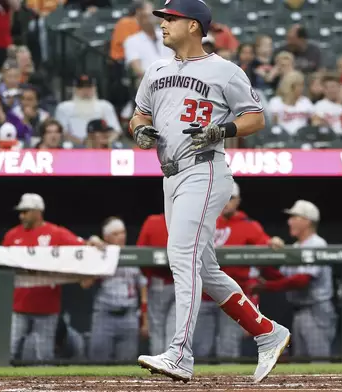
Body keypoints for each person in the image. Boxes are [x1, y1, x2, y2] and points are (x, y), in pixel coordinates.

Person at [129, 0, 290, 383]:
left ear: (195, 26)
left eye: (171, 19)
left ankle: (180, 354)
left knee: (181, 257)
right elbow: (140, 113)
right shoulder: (156, 68)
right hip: (170, 174)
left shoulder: (224, 70)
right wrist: (138, 130)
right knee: (204, 267)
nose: (164, 25)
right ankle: (267, 332)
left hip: (205, 170)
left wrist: (223, 130)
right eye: (164, 19)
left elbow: (255, 117)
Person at [2, 193, 104, 361]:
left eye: (25, 211)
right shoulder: (12, 235)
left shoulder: (55, 232)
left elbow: (83, 245)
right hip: (18, 305)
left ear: (37, 212)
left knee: (44, 356)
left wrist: (93, 240)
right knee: (9, 351)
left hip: (47, 307)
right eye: (20, 212)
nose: (21, 216)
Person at [193, 182, 285, 359]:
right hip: (204, 295)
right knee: (199, 348)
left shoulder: (248, 225)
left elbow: (267, 243)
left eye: (231, 199)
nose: (226, 202)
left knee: (228, 348)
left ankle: (227, 386)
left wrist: (273, 242)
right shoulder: (206, 221)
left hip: (231, 297)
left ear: (238, 201)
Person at [252, 200, 336, 358]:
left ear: (307, 221)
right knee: (301, 362)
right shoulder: (297, 247)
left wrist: (268, 287)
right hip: (299, 311)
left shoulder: (317, 244)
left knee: (318, 361)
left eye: (294, 217)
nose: (289, 221)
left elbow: (301, 281)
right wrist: (263, 263)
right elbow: (283, 277)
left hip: (316, 310)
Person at [84, 217, 148, 362]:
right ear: (106, 237)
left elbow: (143, 287)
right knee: (98, 362)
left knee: (127, 364)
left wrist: (145, 321)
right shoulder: (99, 254)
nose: (122, 236)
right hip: (104, 316)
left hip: (129, 317)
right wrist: (98, 254)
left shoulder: (133, 256)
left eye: (123, 232)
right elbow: (85, 283)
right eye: (116, 234)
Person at [136, 213, 176, 356]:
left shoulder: (153, 221)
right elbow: (140, 254)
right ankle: (171, 364)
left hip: (160, 283)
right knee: (172, 330)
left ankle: (160, 367)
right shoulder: (154, 222)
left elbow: (140, 255)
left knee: (159, 330)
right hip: (180, 282)